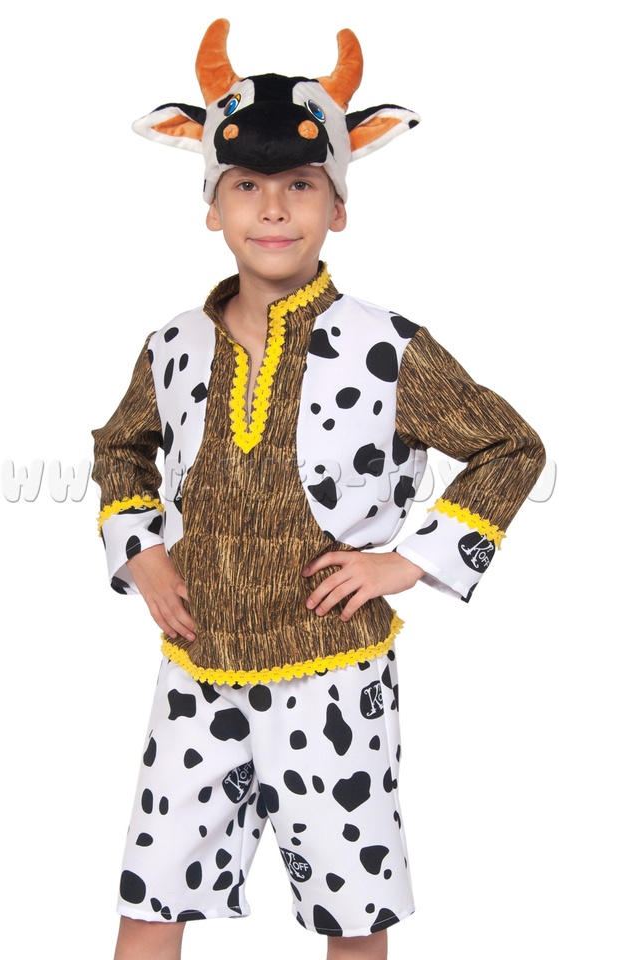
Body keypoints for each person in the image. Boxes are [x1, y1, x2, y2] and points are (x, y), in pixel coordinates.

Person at [91, 19, 545, 960]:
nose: (273, 208)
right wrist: (143, 553)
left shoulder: (388, 347)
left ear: (338, 205)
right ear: (212, 207)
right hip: (198, 668)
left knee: (352, 911)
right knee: (152, 898)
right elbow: (120, 449)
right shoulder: (173, 345)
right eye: (246, 186)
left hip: (334, 676)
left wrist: (406, 563)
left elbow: (511, 447)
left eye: (300, 184)